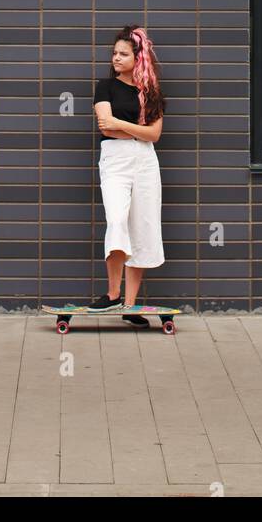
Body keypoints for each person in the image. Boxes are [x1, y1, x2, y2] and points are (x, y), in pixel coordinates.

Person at [89, 24, 166, 326]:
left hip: (145, 161)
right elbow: (106, 127)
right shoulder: (104, 87)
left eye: (123, 54)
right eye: (114, 53)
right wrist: (139, 131)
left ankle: (130, 306)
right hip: (115, 159)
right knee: (117, 220)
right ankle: (112, 294)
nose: (116, 58)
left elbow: (155, 135)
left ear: (138, 57)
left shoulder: (150, 91)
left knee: (142, 226)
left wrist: (128, 128)